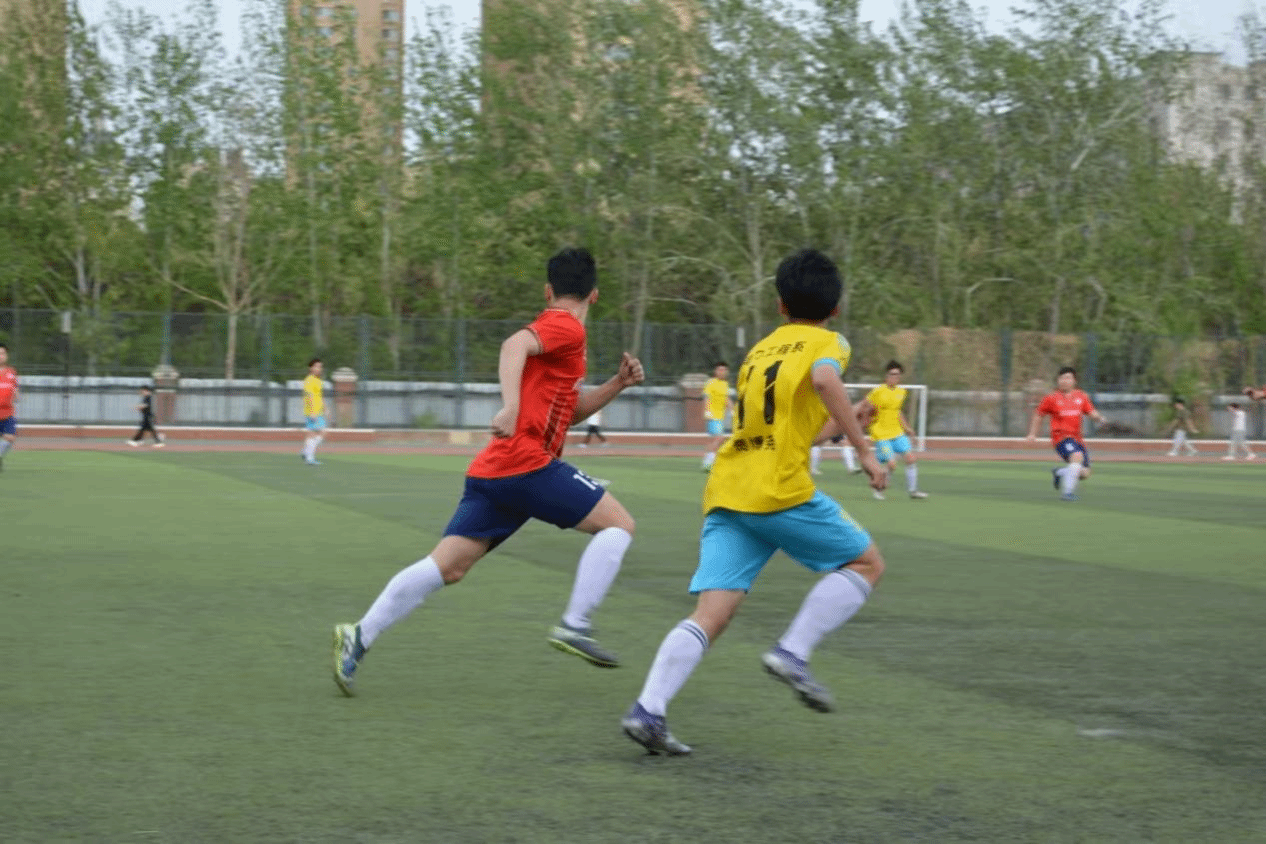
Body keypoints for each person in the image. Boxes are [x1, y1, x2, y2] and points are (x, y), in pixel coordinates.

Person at [332, 248, 646, 697]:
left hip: (496, 470)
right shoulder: (567, 326)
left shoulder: (562, 337)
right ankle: (575, 624)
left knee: (447, 567)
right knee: (619, 525)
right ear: (594, 294)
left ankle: (359, 635)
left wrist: (617, 384)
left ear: (548, 289)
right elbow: (513, 345)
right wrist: (511, 406)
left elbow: (569, 411)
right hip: (526, 463)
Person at [621, 248, 887, 756]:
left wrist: (847, 421)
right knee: (866, 563)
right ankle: (794, 651)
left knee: (711, 613)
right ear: (835, 308)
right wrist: (864, 449)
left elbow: (796, 433)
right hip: (778, 490)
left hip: (730, 489)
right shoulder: (830, 342)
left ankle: (648, 710)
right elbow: (825, 378)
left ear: (780, 304)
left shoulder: (761, 351)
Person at [1026, 366, 1107, 502]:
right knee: (1077, 456)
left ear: (1074, 381)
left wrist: (1100, 418)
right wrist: (1032, 434)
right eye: (1062, 378)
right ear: (1058, 380)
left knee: (1084, 473)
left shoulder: (1081, 396)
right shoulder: (1051, 398)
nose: (1064, 381)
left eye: (1068, 378)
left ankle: (1059, 472)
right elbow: (1039, 414)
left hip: (1077, 440)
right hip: (1061, 439)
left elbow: (1090, 411)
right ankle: (1067, 493)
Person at [855, 361, 927, 500]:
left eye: (897, 375)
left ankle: (913, 491)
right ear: (886, 376)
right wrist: (864, 422)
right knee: (892, 464)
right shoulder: (878, 391)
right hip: (881, 434)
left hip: (897, 432)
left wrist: (908, 429)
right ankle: (878, 487)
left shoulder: (901, 392)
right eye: (892, 374)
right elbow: (865, 406)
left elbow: (898, 412)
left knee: (911, 459)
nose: (894, 377)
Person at [700, 362, 733, 471]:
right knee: (719, 438)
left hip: (720, 417)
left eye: (724, 370)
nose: (722, 372)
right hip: (712, 416)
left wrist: (732, 411)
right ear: (715, 371)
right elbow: (707, 397)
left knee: (714, 440)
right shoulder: (711, 383)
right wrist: (707, 411)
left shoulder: (725, 384)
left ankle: (708, 462)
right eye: (720, 370)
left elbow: (726, 399)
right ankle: (708, 462)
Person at [302, 358, 326, 465]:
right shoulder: (309, 380)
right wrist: (312, 412)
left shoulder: (318, 380)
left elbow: (320, 396)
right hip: (312, 412)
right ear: (310, 368)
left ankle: (306, 452)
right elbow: (310, 396)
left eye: (320, 367)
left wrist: (326, 408)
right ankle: (309, 458)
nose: (318, 369)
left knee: (319, 433)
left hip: (319, 411)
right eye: (316, 366)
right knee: (314, 433)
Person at [0, 343, 17, 472]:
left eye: (3, 353)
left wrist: (17, 395)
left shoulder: (12, 372)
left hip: (8, 412)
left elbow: (14, 388)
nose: (1, 356)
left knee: (10, 437)